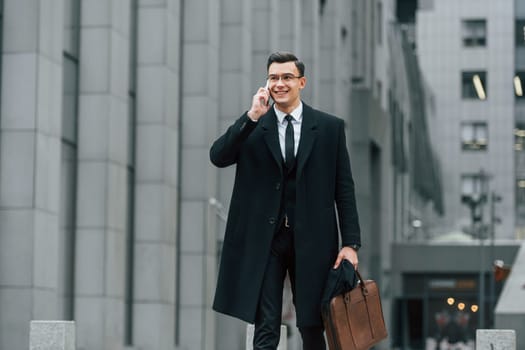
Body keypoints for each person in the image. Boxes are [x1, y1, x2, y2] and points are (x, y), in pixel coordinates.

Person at [210, 51, 361, 350]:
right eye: (273, 78)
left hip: (314, 240)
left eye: (287, 77)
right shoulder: (254, 127)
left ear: (301, 82)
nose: (280, 84)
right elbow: (219, 156)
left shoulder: (329, 128)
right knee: (265, 324)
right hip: (266, 240)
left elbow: (344, 189)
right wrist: (252, 115)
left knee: (312, 324)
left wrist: (350, 244)